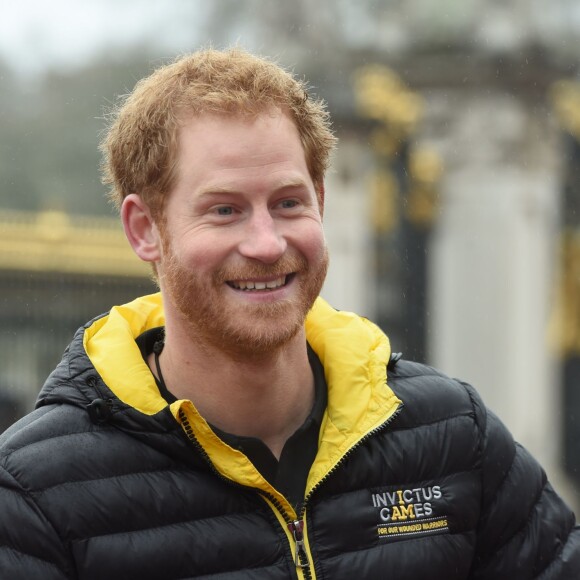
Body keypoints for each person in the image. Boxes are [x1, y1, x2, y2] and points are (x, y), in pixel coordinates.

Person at [0, 48, 578, 580]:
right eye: (225, 210)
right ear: (144, 229)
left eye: (288, 203)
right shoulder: (33, 493)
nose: (267, 242)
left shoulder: (454, 436)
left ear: (321, 202)